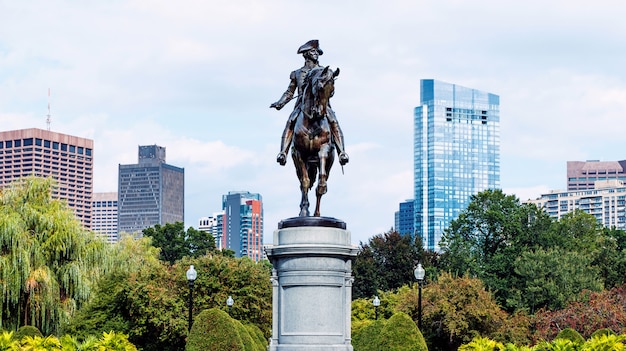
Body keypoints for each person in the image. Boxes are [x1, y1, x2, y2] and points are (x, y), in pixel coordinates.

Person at [270, 39, 349, 166]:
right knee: (291, 122)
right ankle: (283, 152)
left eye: (317, 51)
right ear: (306, 54)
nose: (316, 54)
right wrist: (280, 103)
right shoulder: (297, 73)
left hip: (321, 104)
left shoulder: (324, 71)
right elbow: (290, 92)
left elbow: (330, 90)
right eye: (313, 51)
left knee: (333, 121)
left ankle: (342, 152)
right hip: (302, 106)